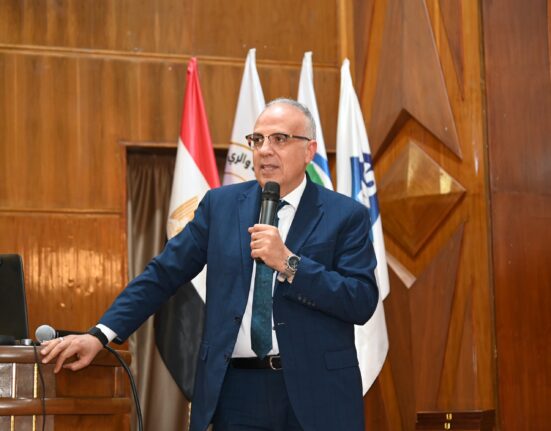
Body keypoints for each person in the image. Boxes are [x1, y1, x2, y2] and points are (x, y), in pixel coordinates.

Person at [41, 98, 379, 431]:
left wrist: (290, 264)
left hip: (318, 393)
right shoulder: (221, 206)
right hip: (237, 391)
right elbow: (164, 273)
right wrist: (101, 334)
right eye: (257, 140)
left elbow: (361, 299)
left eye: (279, 139)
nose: (265, 150)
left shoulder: (345, 215)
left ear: (309, 150)